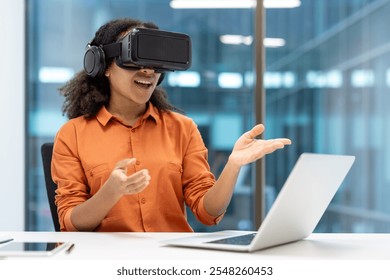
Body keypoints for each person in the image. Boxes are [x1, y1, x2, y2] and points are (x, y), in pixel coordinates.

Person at [52, 18, 291, 232]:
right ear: (103, 66)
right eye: (134, 59)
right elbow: (70, 223)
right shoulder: (72, 134)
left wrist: (233, 165)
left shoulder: (182, 129)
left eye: (154, 62)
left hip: (171, 261)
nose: (147, 70)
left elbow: (207, 213)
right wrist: (110, 193)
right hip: (105, 262)